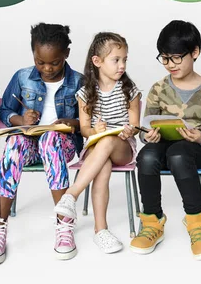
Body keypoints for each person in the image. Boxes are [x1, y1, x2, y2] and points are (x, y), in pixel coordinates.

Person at [0, 23, 83, 265]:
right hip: (28, 144)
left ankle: (64, 223)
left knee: (50, 139)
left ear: (66, 53)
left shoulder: (79, 81)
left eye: (54, 63)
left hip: (61, 145)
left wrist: (72, 122)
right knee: (15, 142)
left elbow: (87, 121)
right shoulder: (22, 76)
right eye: (40, 62)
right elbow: (5, 110)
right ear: (33, 54)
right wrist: (20, 120)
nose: (47, 68)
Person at [130, 20, 201, 261]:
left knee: (179, 154)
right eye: (164, 58)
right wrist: (147, 135)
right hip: (162, 145)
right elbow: (145, 126)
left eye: (176, 58)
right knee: (147, 155)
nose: (170, 65)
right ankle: (152, 221)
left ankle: (197, 222)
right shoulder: (158, 88)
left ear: (195, 53)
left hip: (191, 149)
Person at [54, 32, 141, 254]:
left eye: (124, 60)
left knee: (108, 141)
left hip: (123, 146)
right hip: (96, 147)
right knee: (102, 165)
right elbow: (84, 130)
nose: (122, 65)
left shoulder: (130, 91)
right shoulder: (85, 94)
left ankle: (71, 195)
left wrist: (128, 129)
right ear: (97, 61)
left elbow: (135, 125)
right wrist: (95, 130)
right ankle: (100, 230)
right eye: (116, 60)